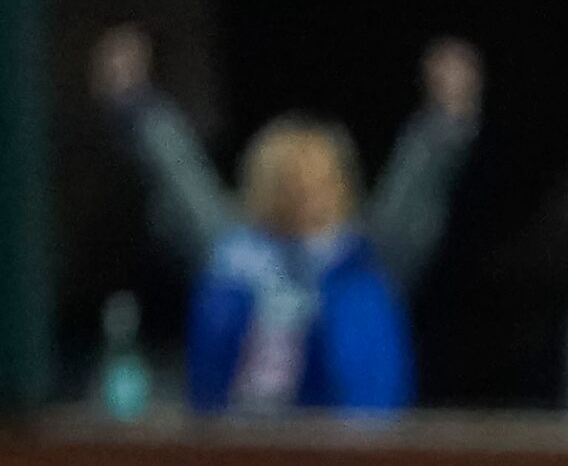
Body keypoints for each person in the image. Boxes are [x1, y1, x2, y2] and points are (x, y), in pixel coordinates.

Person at [91, 24, 481, 412]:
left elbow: (415, 190)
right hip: (239, 447)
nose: (304, 194)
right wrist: (135, 105)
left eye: (316, 181)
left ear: (340, 184)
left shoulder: (367, 260)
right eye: (289, 181)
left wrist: (445, 122)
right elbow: (180, 179)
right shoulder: (232, 254)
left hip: (352, 454)